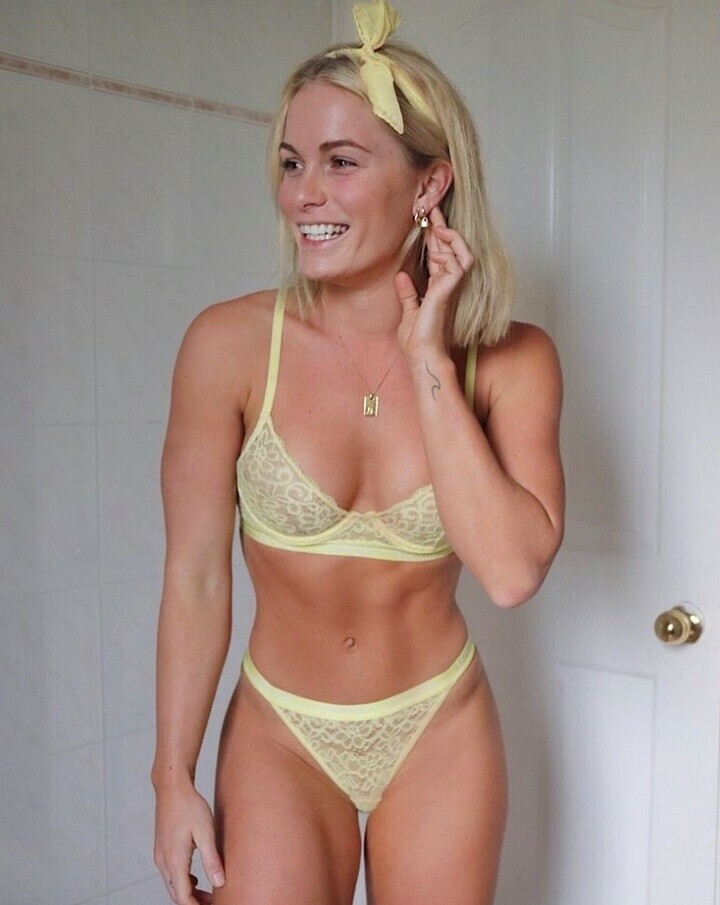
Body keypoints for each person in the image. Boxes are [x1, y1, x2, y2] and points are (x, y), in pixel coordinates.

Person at [151, 1, 564, 903]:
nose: (304, 193)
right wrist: (170, 776)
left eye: (341, 162)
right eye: (292, 162)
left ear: (428, 186)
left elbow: (509, 572)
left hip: (439, 728)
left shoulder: (510, 361)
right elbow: (196, 576)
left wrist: (428, 361)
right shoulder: (227, 346)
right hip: (281, 735)